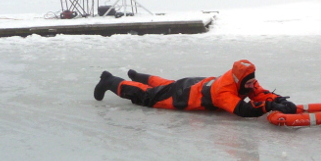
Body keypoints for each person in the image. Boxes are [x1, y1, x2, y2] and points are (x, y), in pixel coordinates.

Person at [93, 59, 297, 117]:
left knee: (167, 85)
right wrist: (268, 107)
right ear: (239, 80)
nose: (252, 86)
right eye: (249, 83)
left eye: (253, 82)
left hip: (197, 84)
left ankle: (139, 76)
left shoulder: (242, 78)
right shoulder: (224, 92)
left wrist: (276, 100)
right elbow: (242, 110)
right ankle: (110, 81)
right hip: (185, 95)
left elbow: (258, 92)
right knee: (147, 96)